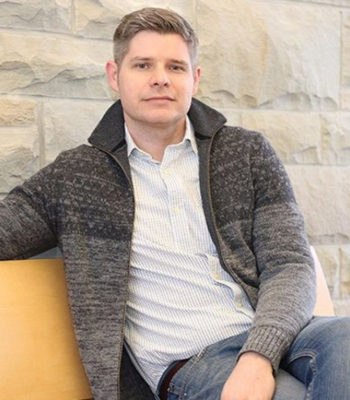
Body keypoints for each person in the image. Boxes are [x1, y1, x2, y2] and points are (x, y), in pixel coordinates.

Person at [0, 7, 349, 400]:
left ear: (195, 79)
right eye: (143, 64)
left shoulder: (246, 152)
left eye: (176, 67)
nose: (160, 78)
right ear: (114, 76)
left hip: (276, 332)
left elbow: (290, 263)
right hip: (191, 361)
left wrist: (258, 355)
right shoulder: (75, 177)